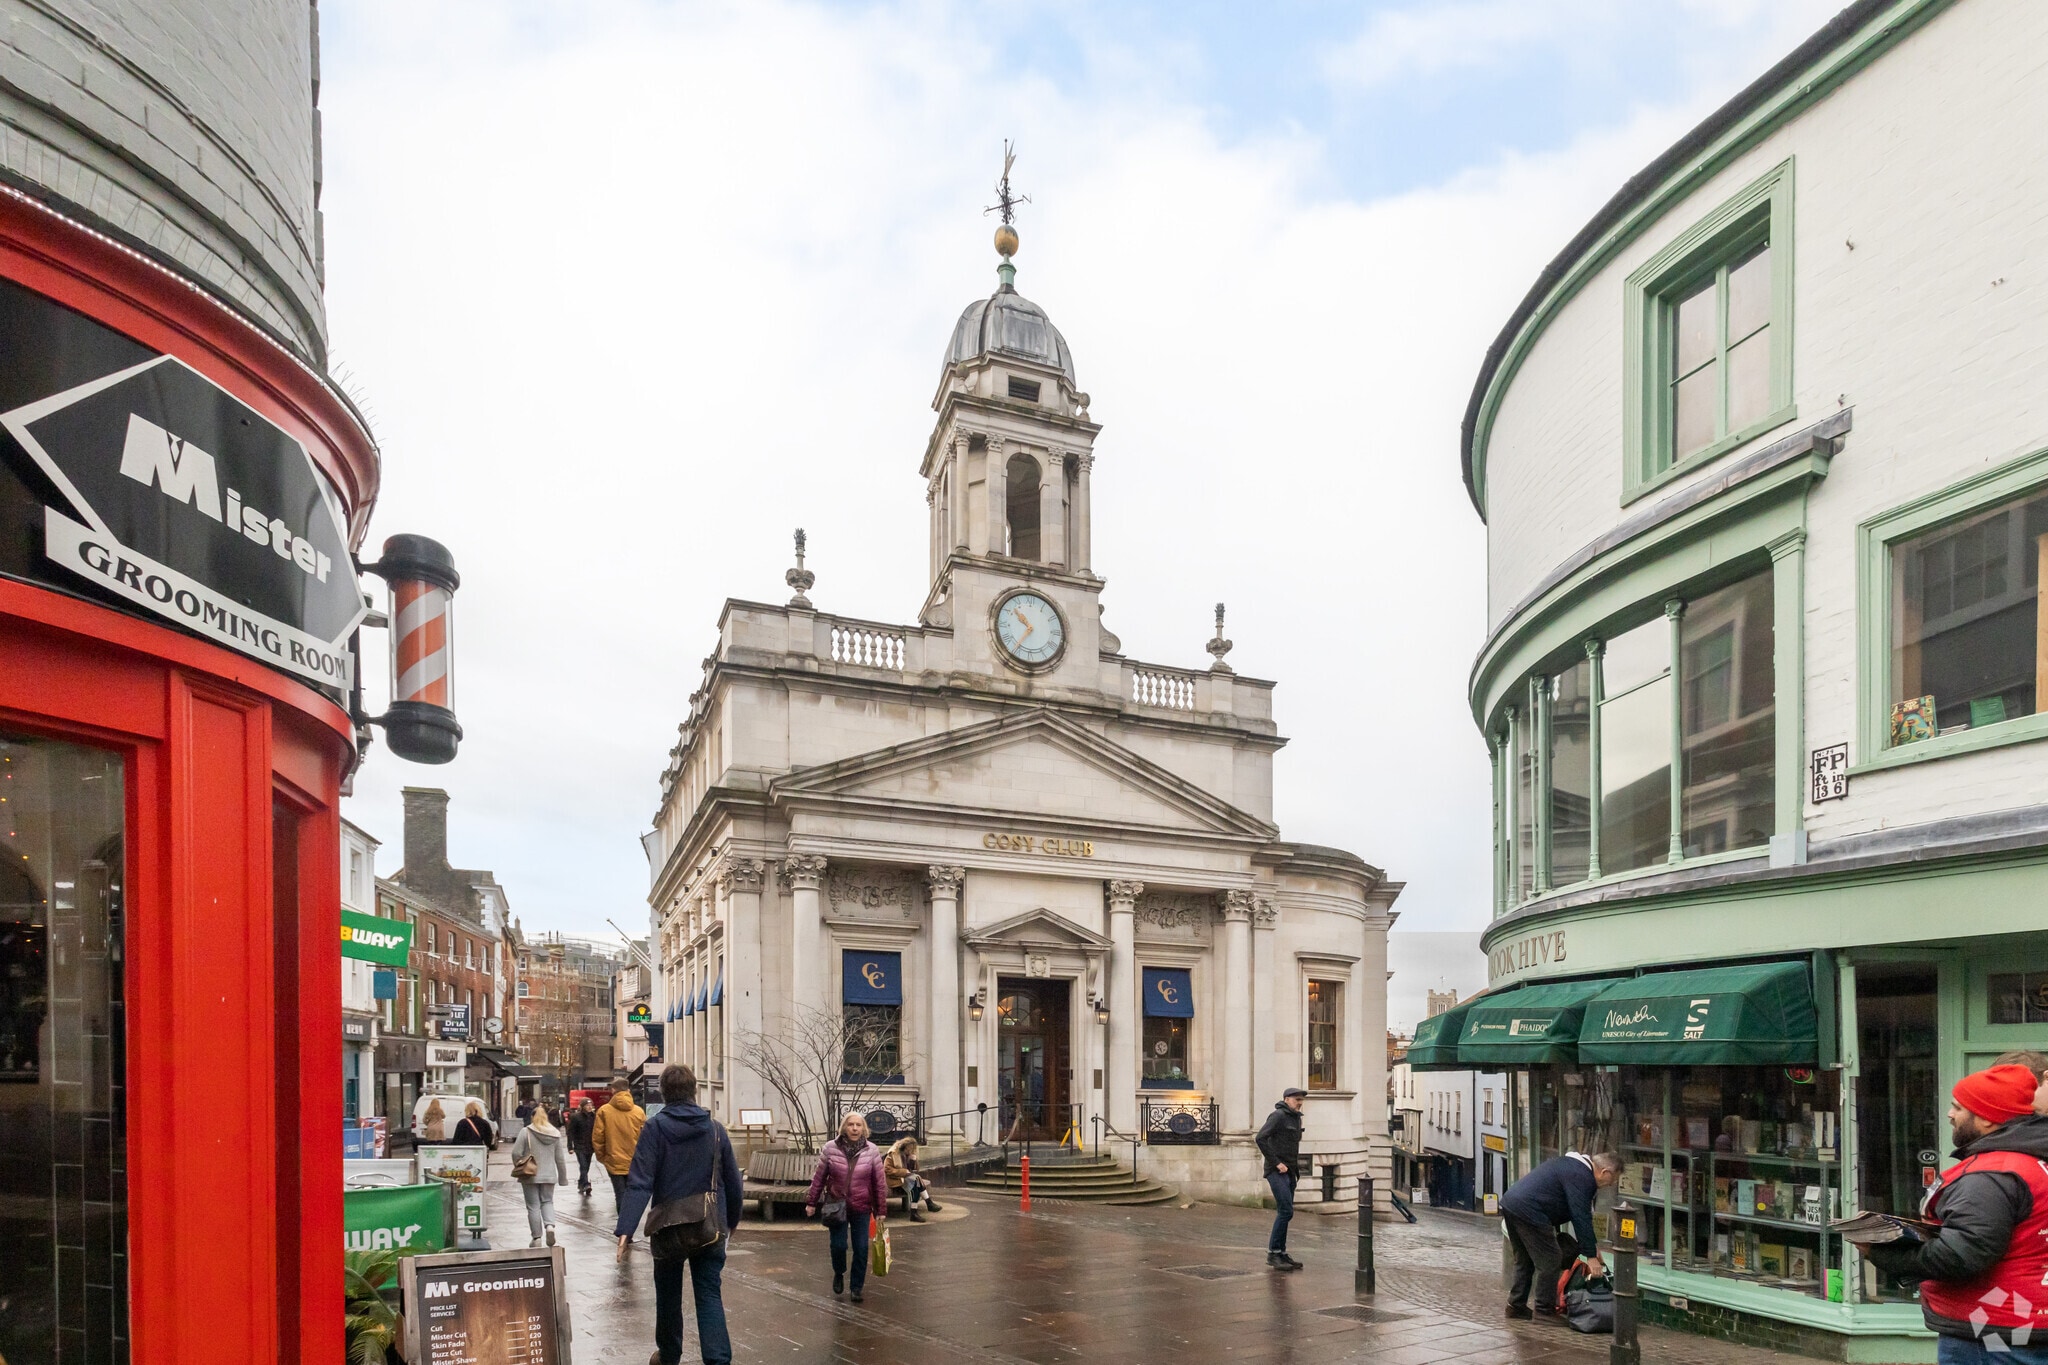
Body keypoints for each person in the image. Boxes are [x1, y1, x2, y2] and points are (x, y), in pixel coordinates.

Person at [1866, 1064, 2048, 1362]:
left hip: (1990, 1329)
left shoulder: (1991, 1175)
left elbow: (1962, 1254)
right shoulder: (2035, 1162)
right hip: (2024, 1319)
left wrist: (1881, 1253)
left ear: (1988, 1119)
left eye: (1959, 1107)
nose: (1950, 1114)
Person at [616, 1065, 742, 1365]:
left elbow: (640, 1180)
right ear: (694, 1089)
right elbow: (733, 1180)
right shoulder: (715, 1129)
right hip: (710, 1224)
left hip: (668, 1227)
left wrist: (626, 1229)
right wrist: (731, 1221)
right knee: (709, 1294)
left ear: (663, 1092)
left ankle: (669, 1354)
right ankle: (718, 1359)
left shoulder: (655, 1127)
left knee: (669, 1295)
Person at [1500, 1150, 1620, 1320]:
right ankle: (1543, 1310)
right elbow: (1580, 1216)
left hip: (1512, 1203)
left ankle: (1516, 1306)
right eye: (1612, 1180)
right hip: (1529, 1210)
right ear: (1605, 1172)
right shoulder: (1582, 1176)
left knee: (1524, 1259)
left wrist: (1593, 1247)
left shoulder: (1571, 1166)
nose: (1610, 1184)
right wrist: (1590, 1256)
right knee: (1551, 1259)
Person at [804, 1113, 888, 1304]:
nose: (855, 1128)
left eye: (859, 1125)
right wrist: (811, 1202)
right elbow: (819, 1178)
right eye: (851, 1125)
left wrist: (881, 1210)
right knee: (838, 1245)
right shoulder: (830, 1148)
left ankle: (856, 1287)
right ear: (844, 1127)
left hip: (862, 1206)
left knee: (861, 1248)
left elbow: (879, 1183)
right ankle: (839, 1272)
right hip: (836, 1205)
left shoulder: (872, 1151)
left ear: (864, 1128)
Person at [1255, 1087, 1308, 1271]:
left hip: (1290, 1171)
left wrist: (1294, 1170)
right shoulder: (1277, 1116)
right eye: (1296, 1099)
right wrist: (1276, 1163)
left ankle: (1281, 1253)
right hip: (1276, 1171)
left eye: (1301, 1100)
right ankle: (1273, 1253)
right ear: (1286, 1099)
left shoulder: (1296, 1117)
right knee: (1286, 1211)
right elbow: (1260, 1138)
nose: (1299, 1103)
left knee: (1286, 1211)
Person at [594, 1081, 649, 1248]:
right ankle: (629, 1231)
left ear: (613, 1091)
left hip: (614, 1160)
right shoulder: (638, 1111)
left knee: (620, 1194)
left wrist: (602, 1157)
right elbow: (646, 1137)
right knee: (633, 1195)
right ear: (628, 1090)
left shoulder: (604, 1111)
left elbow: (598, 1138)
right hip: (635, 1161)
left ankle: (624, 1230)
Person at [509, 1101, 568, 1247]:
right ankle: (550, 1226)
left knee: (533, 1206)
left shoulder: (526, 1131)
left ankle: (536, 1238)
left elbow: (516, 1152)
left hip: (529, 1174)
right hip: (549, 1175)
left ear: (532, 1117)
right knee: (547, 1201)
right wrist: (562, 1178)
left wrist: (519, 1164)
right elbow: (560, 1159)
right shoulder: (555, 1134)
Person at [883, 1136, 941, 1221]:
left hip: (905, 1178)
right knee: (916, 1180)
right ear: (904, 1146)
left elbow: (913, 1170)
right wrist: (904, 1172)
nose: (910, 1151)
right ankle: (927, 1204)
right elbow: (887, 1170)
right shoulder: (893, 1153)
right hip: (894, 1179)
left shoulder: (908, 1154)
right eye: (909, 1148)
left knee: (916, 1186)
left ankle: (915, 1213)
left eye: (912, 1149)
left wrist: (913, 1161)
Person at [567, 1096, 598, 1196]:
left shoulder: (594, 1116)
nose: (589, 1107)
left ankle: (581, 1183)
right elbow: (570, 1132)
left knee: (587, 1166)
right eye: (587, 1105)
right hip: (579, 1146)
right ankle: (586, 1184)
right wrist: (570, 1147)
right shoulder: (576, 1117)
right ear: (582, 1106)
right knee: (583, 1165)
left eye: (590, 1105)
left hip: (590, 1146)